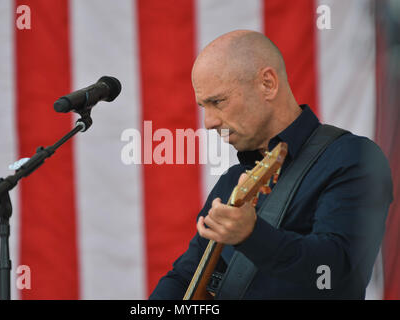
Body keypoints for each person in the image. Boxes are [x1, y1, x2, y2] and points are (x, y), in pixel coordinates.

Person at [149, 30, 393, 299]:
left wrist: (252, 236)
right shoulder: (233, 180)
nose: (208, 122)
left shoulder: (352, 158)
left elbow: (335, 271)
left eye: (217, 102)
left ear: (267, 84)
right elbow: (186, 276)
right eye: (203, 106)